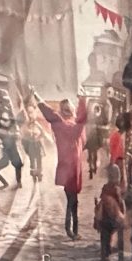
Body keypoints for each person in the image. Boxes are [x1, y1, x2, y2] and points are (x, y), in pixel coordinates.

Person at [34, 92, 87, 238]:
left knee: (72, 200)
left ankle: (73, 230)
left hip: (67, 168)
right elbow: (81, 121)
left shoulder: (59, 125)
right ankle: (71, 230)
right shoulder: (72, 127)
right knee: (72, 201)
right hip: (73, 169)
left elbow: (50, 114)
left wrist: (38, 97)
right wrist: (83, 101)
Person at [95, 162, 128, 261]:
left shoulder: (107, 188)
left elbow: (103, 202)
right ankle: (113, 256)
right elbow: (121, 204)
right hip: (115, 219)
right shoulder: (118, 189)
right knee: (110, 235)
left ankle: (104, 259)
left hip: (108, 219)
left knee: (104, 237)